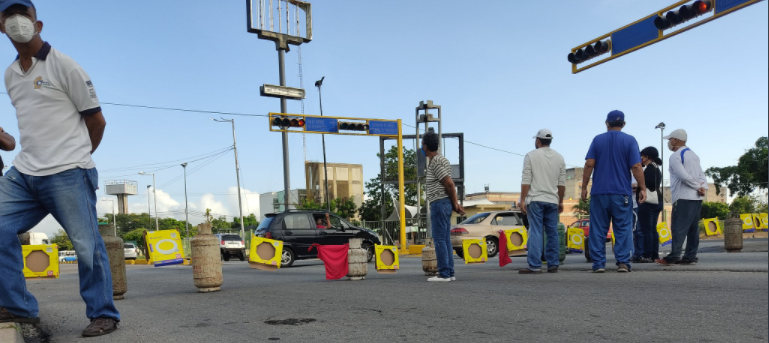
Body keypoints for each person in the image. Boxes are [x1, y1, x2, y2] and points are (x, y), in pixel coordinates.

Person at [0, 1, 119, 337]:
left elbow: (97, 121)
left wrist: (76, 157)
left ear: (38, 26)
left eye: (24, 15)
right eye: (9, 16)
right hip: (24, 173)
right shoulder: (10, 74)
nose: (17, 22)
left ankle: (103, 313)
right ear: (1, 26)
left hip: (68, 171)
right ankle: (19, 307)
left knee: (86, 245)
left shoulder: (65, 66)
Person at [581, 110, 646, 273]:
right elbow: (636, 166)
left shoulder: (597, 139)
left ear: (606, 123)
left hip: (599, 193)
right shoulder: (630, 140)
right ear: (623, 124)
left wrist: (583, 186)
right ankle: (623, 262)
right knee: (623, 227)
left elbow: (589, 163)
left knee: (598, 228)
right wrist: (642, 187)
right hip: (621, 193)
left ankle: (598, 264)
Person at [518, 129, 566, 274]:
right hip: (552, 200)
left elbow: (526, 180)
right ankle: (553, 264)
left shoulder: (530, 156)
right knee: (552, 232)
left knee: (536, 231)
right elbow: (561, 184)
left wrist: (522, 200)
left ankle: (535, 265)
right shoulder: (559, 158)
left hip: (535, 199)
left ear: (538, 141)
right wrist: (560, 201)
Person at [656, 129, 707, 266]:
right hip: (697, 198)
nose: (669, 143)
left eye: (670, 140)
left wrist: (697, 186)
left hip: (683, 197)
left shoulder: (675, 156)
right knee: (693, 228)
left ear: (675, 140)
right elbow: (702, 176)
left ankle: (674, 255)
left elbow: (683, 176)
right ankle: (690, 255)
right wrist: (702, 187)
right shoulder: (694, 155)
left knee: (679, 227)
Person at [422, 131, 465, 282]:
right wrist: (453, 203)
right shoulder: (443, 160)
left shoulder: (436, 162)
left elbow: (449, 184)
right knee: (446, 239)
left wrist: (455, 203)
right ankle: (450, 272)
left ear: (425, 146)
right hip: (444, 202)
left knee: (439, 239)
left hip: (439, 203)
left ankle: (444, 274)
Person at [638, 146, 663, 263]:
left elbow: (650, 184)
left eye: (642, 156)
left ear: (647, 157)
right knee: (653, 229)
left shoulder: (649, 169)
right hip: (657, 201)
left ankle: (647, 254)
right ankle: (654, 254)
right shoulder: (657, 168)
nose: (641, 159)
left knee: (646, 230)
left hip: (648, 202)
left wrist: (638, 185)